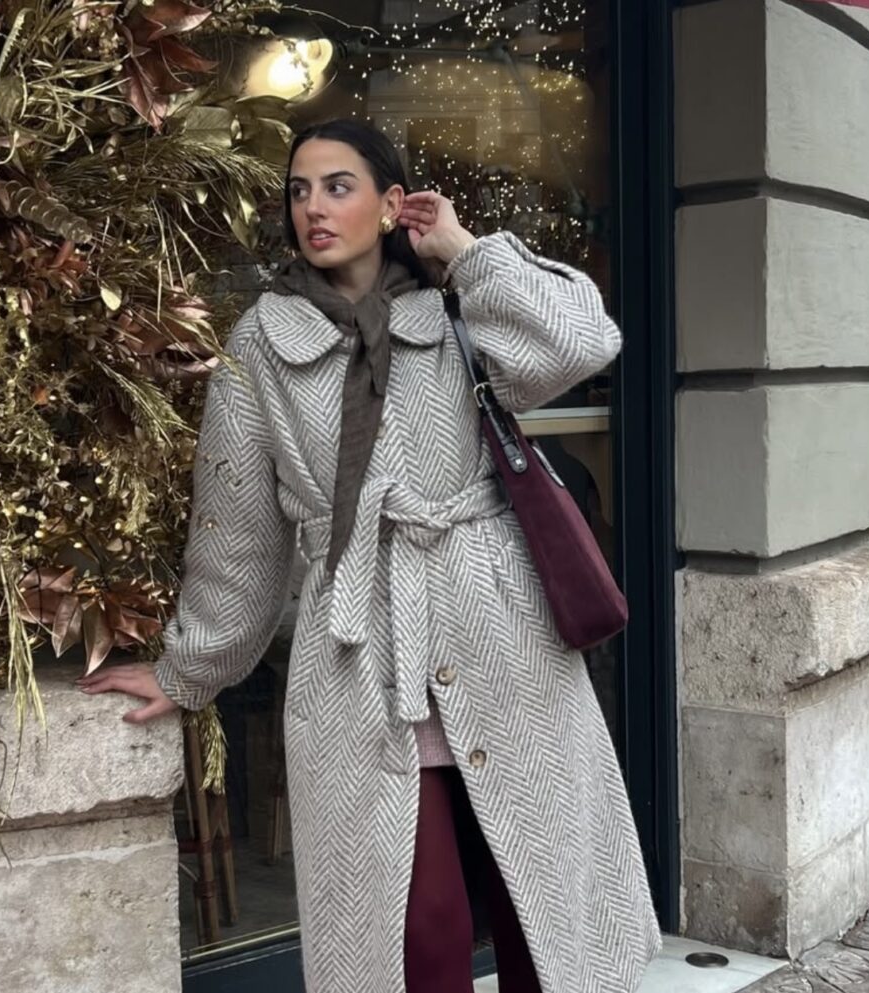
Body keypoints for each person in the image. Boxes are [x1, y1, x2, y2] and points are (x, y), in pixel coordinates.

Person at [78, 118, 661, 993]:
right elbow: (239, 529)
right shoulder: (263, 341)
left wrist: (465, 251)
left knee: (540, 909)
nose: (313, 207)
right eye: (299, 190)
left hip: (498, 632)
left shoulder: (459, 307)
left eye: (337, 186)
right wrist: (188, 670)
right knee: (414, 925)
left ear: (392, 204)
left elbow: (581, 342)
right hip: (360, 654)